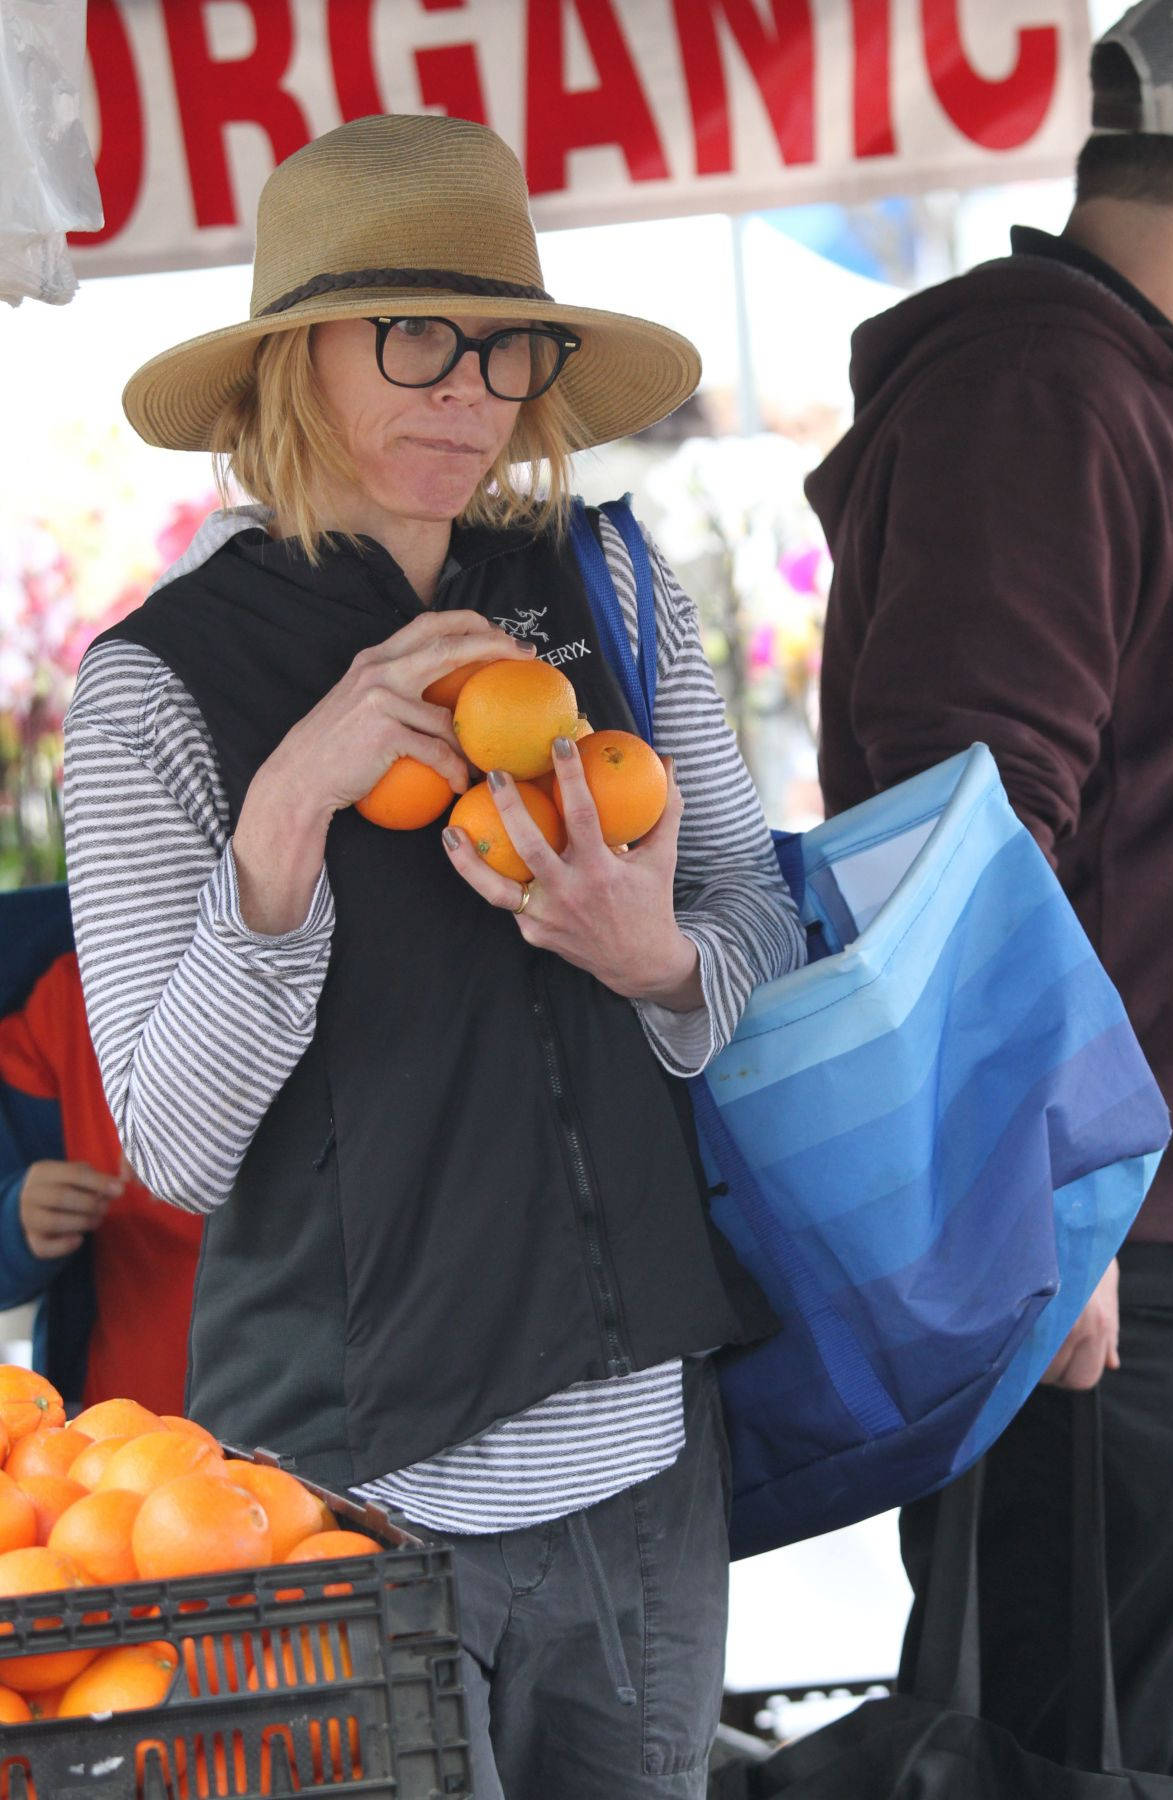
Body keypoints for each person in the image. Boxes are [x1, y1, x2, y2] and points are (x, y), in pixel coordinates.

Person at [62, 113, 804, 1797]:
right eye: (412, 334)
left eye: (502, 344)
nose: (466, 389)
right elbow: (173, 1148)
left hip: (638, 1470)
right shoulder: (152, 692)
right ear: (289, 358)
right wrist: (287, 823)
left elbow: (760, 922)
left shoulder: (609, 588)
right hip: (329, 1494)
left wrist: (654, 964)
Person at [805, 1, 1173, 1778]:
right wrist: (1035, 1191)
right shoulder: (1047, 390)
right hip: (1111, 1258)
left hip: (1138, 1237)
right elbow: (957, 813)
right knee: (1074, 1742)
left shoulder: (1120, 392)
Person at [0, 887, 203, 1414]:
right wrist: (18, 1221)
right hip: (110, 1435)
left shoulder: (335, 982)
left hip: (307, 1440)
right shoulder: (52, 1006)